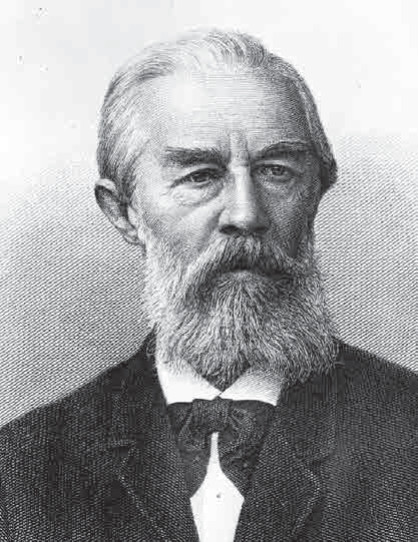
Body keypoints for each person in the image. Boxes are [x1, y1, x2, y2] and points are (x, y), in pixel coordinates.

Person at [0, 28, 417, 542]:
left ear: (316, 192)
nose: (246, 213)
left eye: (276, 170)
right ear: (123, 212)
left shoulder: (407, 434)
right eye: (200, 175)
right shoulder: (21, 471)